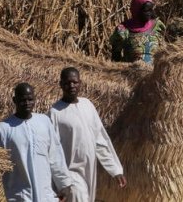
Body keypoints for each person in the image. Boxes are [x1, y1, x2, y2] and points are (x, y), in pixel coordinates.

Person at [49, 68, 126, 202]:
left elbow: (100, 139)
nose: (71, 86)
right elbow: (52, 150)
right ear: (61, 84)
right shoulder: (55, 112)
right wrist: (60, 182)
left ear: (80, 83)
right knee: (79, 195)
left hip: (89, 171)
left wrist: (115, 170)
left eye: (75, 82)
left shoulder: (87, 105)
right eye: (67, 83)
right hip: (69, 173)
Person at [0, 82, 74, 202]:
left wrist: (64, 185)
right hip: (19, 195)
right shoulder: (3, 129)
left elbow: (55, 156)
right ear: (14, 100)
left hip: (46, 195)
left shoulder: (44, 122)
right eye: (22, 100)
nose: (27, 103)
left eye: (30, 99)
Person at [110, 0, 166, 64]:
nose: (151, 12)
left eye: (151, 9)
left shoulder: (157, 26)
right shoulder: (123, 30)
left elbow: (165, 52)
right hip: (131, 73)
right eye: (147, 10)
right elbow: (115, 59)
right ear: (137, 10)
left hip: (154, 74)